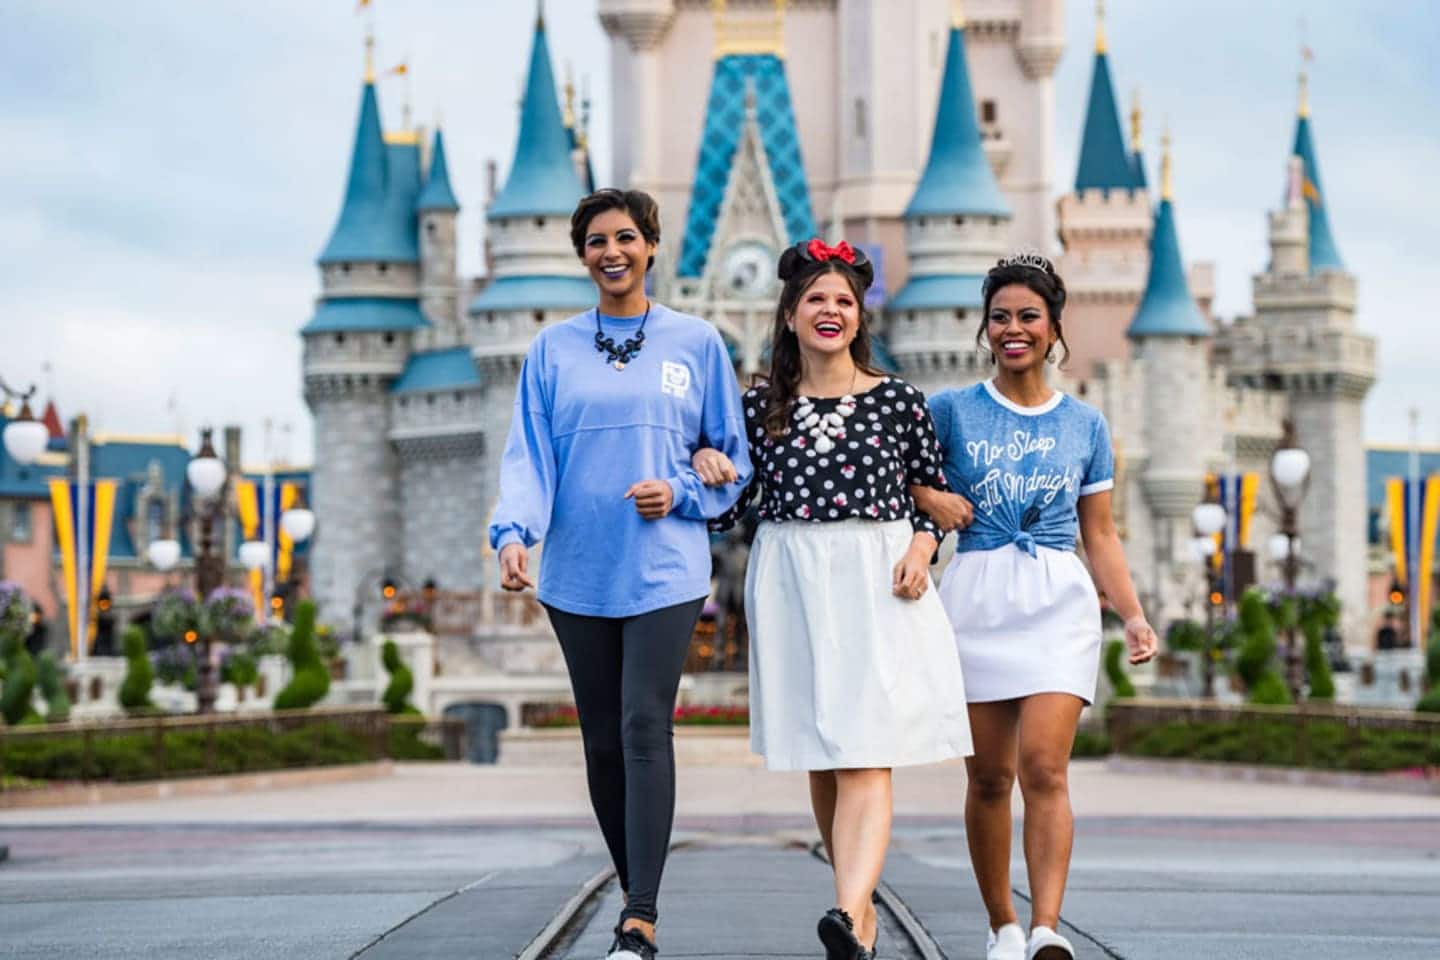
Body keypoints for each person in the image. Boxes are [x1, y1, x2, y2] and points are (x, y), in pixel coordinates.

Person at [489, 188, 752, 960]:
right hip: (576, 573)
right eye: (598, 240)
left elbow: (732, 463)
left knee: (644, 725)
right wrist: (514, 533)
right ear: (582, 256)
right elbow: (529, 455)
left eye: (627, 238)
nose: (613, 251)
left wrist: (682, 491)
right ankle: (636, 880)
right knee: (602, 741)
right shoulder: (551, 351)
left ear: (651, 247)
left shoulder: (697, 343)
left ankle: (639, 915)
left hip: (667, 567)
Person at [697, 238, 972, 960]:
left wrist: (920, 549)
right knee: (824, 751)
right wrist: (709, 464)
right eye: (816, 298)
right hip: (791, 571)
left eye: (843, 301)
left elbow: (928, 494)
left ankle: (848, 911)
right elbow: (730, 512)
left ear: (859, 318)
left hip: (875, 575)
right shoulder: (759, 406)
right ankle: (860, 912)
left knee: (865, 750)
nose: (830, 311)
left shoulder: (898, 400)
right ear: (789, 315)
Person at [912, 253, 1158, 960]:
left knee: (1044, 769)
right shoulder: (951, 410)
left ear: (1054, 328)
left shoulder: (1085, 423)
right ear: (984, 329)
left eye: (1027, 317)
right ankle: (1003, 925)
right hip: (976, 594)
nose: (1013, 329)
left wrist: (1133, 613)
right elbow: (913, 494)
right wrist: (931, 501)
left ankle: (1047, 927)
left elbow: (1101, 532)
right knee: (988, 777)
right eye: (1000, 318)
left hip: (1057, 599)